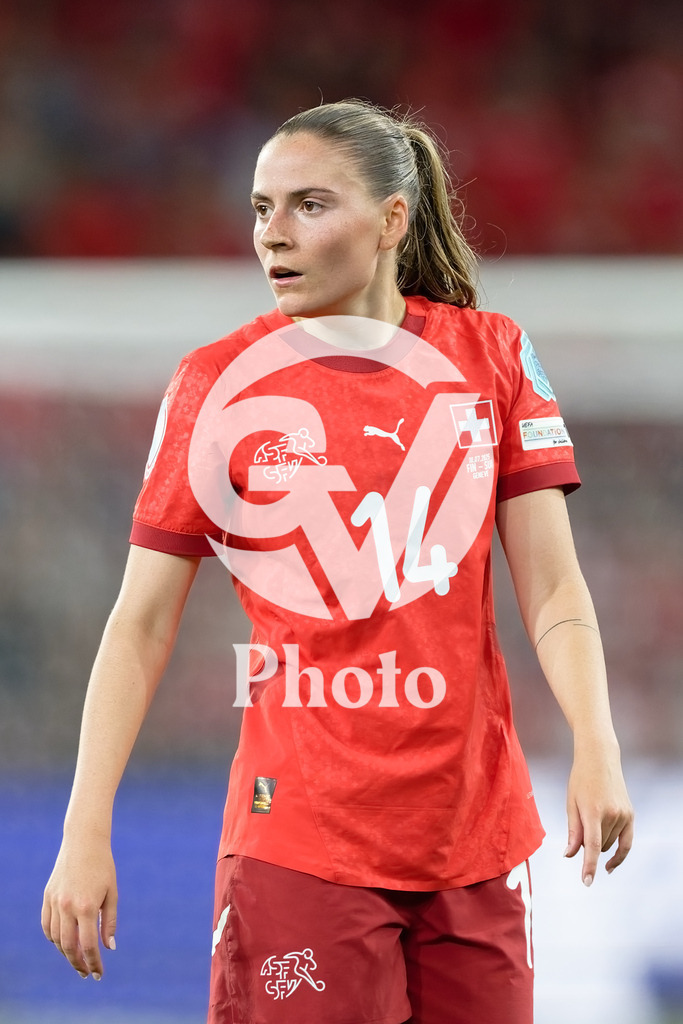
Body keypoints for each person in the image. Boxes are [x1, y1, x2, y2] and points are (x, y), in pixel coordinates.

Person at [42, 99, 634, 1024]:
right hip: (302, 840)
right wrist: (85, 829)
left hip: (475, 836)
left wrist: (595, 743)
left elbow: (552, 585)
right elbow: (140, 623)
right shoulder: (217, 385)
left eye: (308, 205)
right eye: (259, 208)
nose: (272, 235)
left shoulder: (493, 357)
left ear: (393, 220)